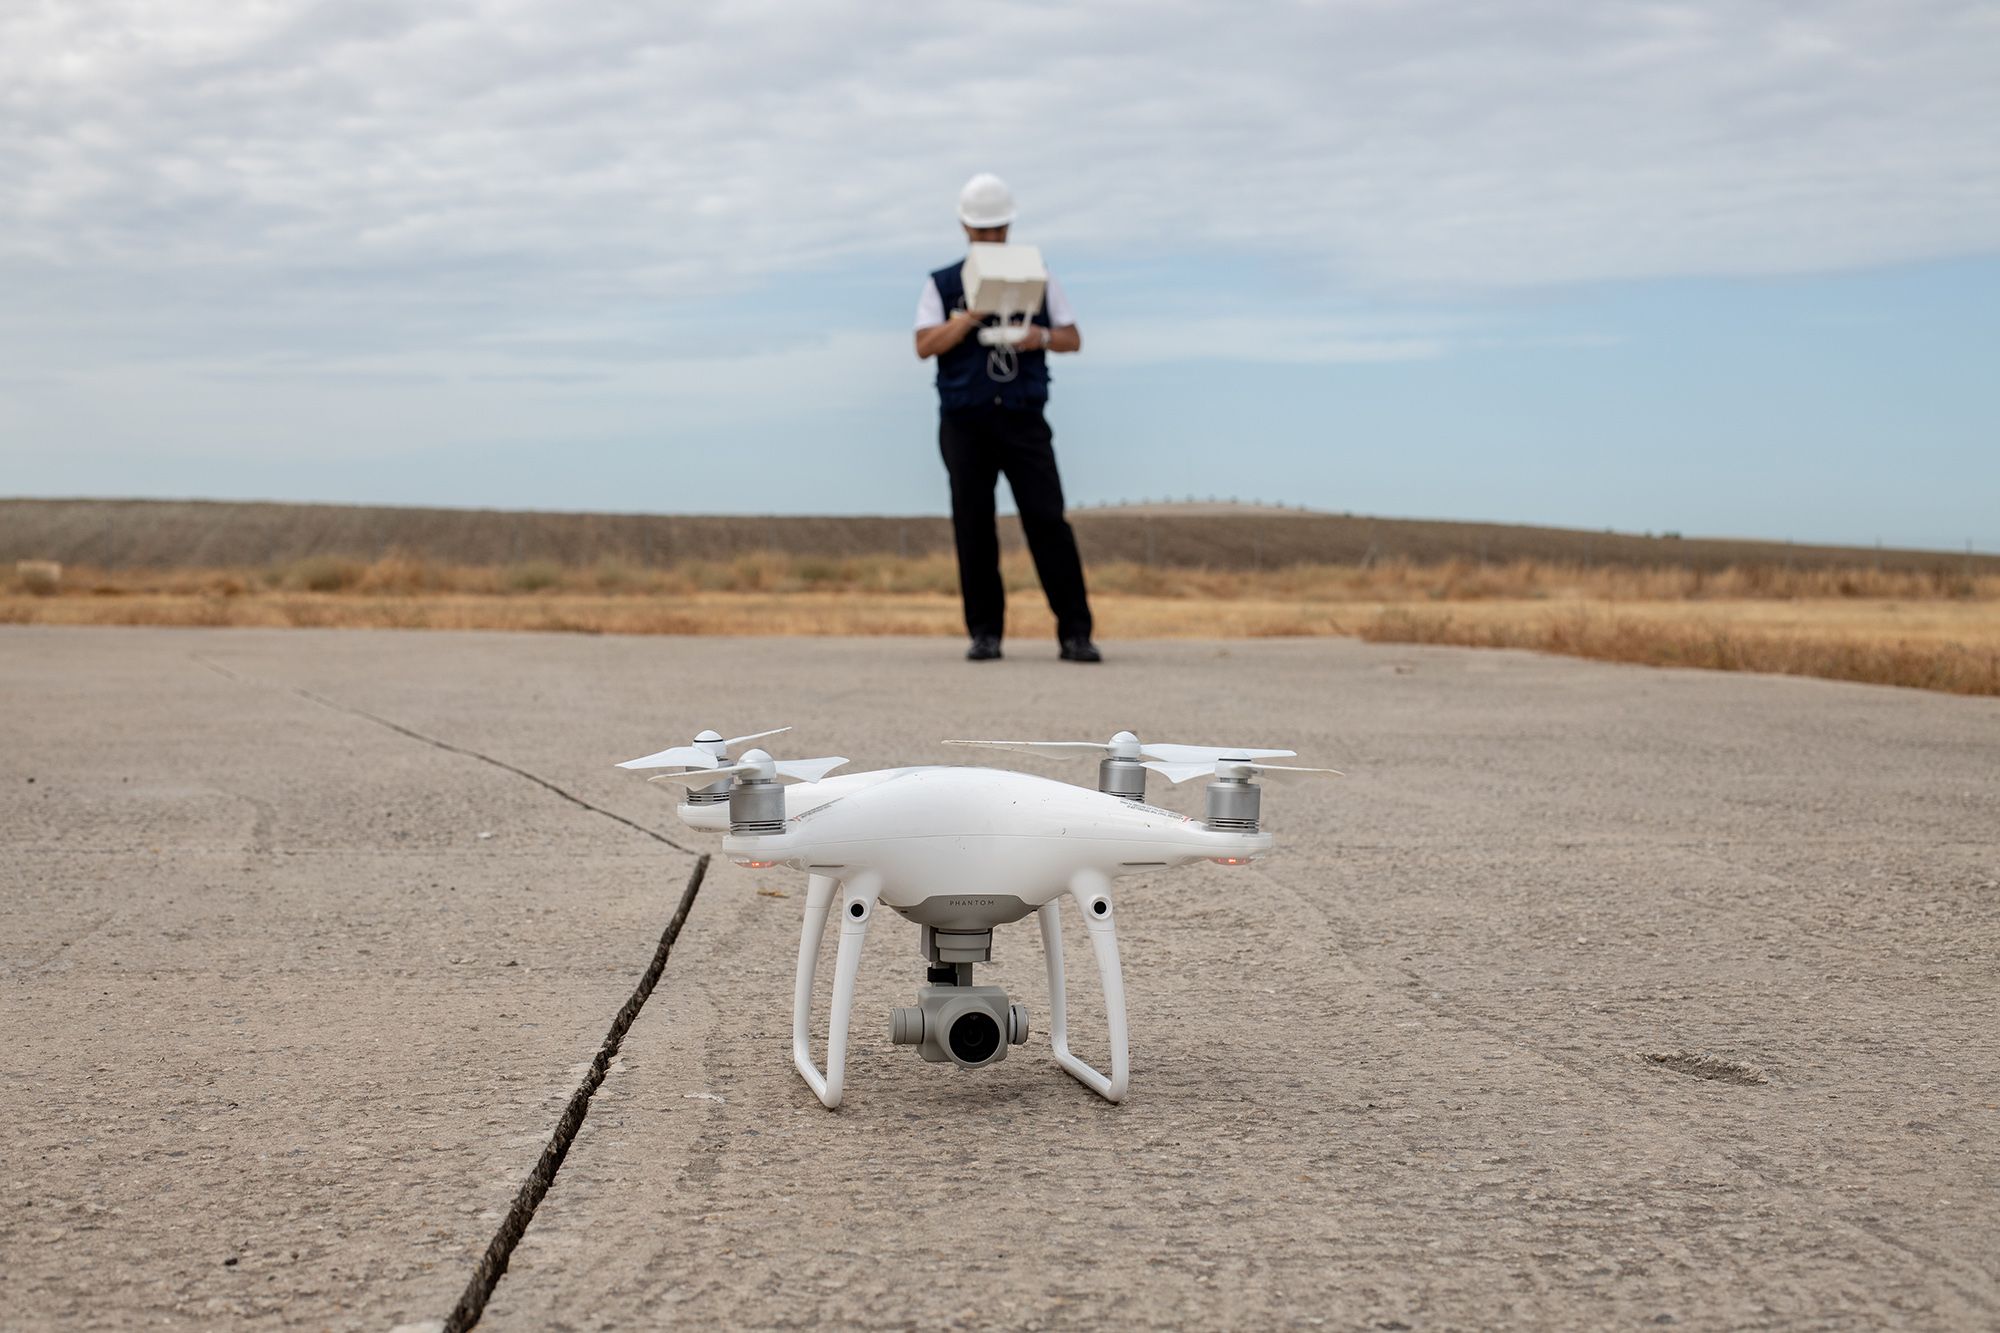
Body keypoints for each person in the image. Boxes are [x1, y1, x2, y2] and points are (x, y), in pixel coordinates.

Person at [915, 173, 1101, 664]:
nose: (992, 237)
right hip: (965, 422)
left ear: (1010, 225)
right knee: (973, 526)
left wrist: (1036, 337)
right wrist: (968, 317)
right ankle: (985, 633)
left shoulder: (1039, 274)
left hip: (1022, 419)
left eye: (999, 228)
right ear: (965, 228)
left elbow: (1073, 338)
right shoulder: (942, 283)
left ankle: (1076, 634)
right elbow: (923, 346)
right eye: (983, 229)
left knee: (1046, 521)